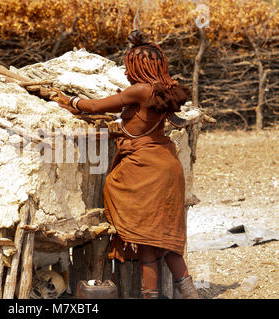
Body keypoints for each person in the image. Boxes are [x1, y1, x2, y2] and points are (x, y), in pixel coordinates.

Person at [50, 30, 200, 299]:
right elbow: (143, 123)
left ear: (139, 66)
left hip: (145, 172)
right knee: (163, 242)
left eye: (130, 66)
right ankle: (189, 294)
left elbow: (95, 106)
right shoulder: (165, 90)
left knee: (145, 239)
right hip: (167, 167)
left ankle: (151, 296)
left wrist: (68, 100)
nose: (127, 73)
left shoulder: (141, 90)